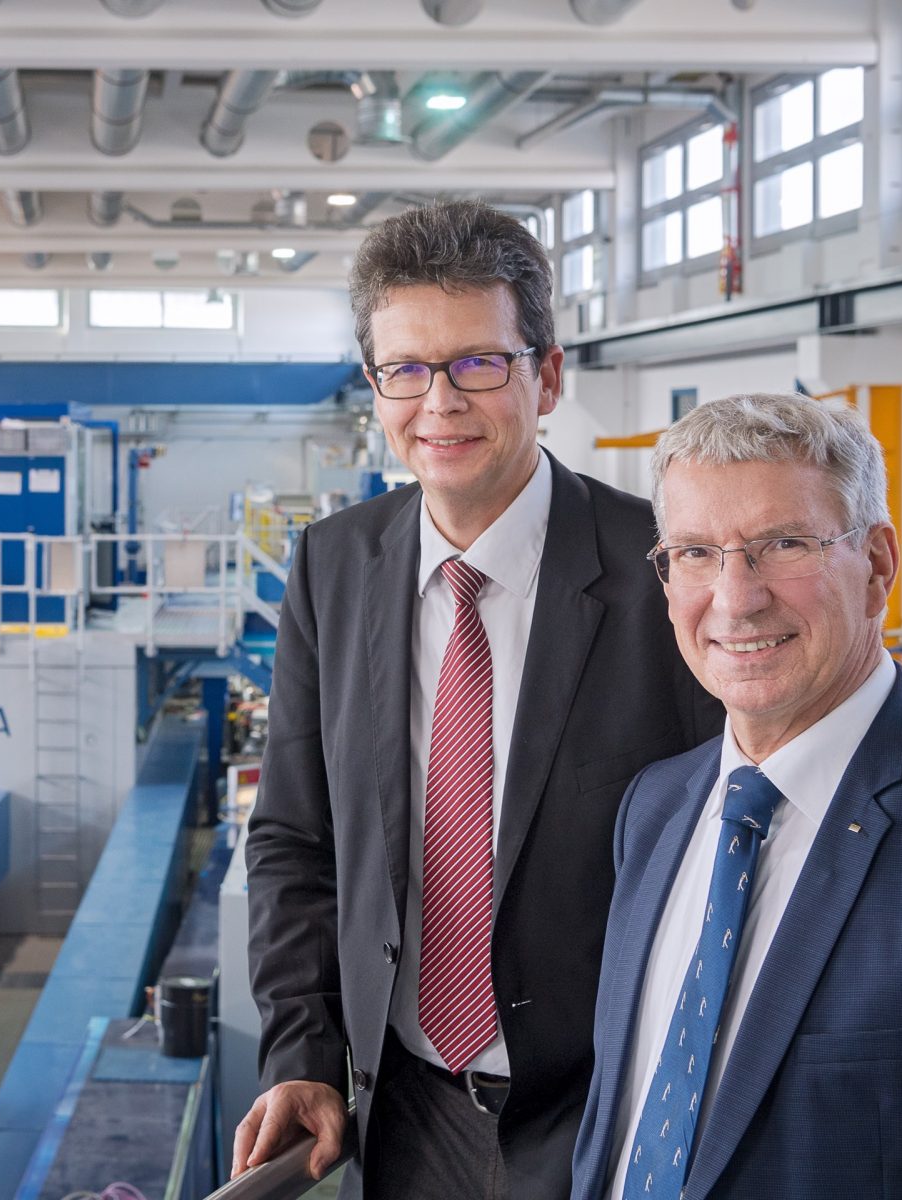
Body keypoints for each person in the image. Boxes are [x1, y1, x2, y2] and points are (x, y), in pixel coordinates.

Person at [232, 200, 723, 1199]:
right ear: (375, 387)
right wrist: (303, 1049)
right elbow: (295, 837)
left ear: (546, 375)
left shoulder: (662, 573)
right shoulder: (335, 565)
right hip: (403, 1109)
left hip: (609, 1111)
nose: (439, 403)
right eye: (404, 370)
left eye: (477, 364)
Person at [571, 391, 902, 1200]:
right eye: (696, 553)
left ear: (877, 564)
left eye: (783, 544)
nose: (736, 598)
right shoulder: (655, 809)